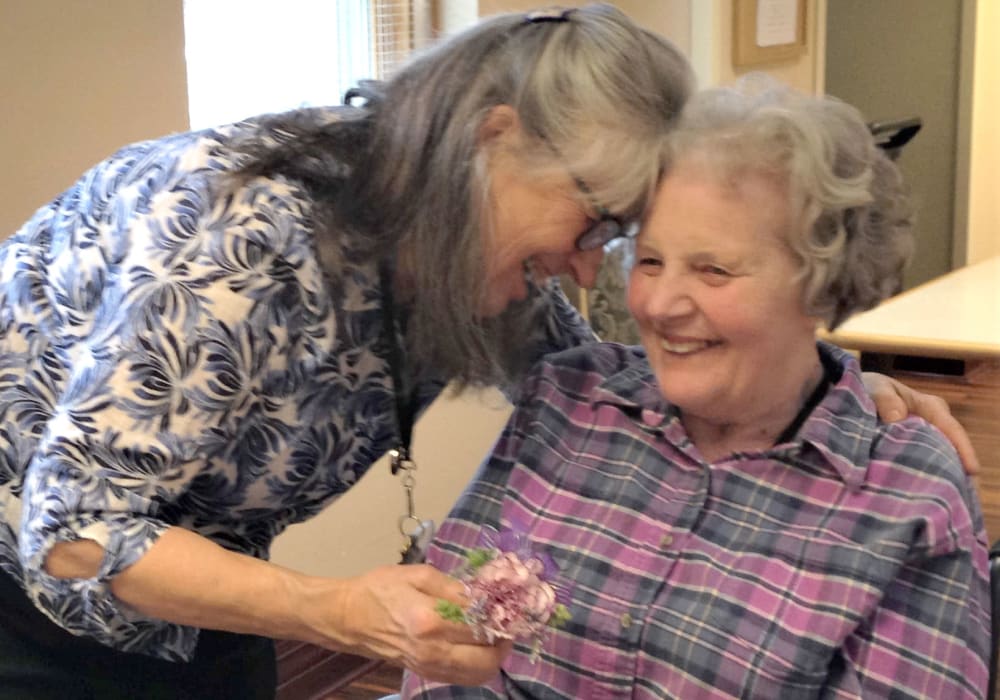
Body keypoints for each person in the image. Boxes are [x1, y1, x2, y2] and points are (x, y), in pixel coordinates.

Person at [0, 4, 977, 698]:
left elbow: (631, 373)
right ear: (490, 139)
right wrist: (333, 608)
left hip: (194, 591)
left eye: (620, 236)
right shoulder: (242, 226)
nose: (591, 265)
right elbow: (73, 528)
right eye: (598, 222)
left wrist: (840, 382)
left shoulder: (482, 257)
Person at [403, 77, 990, 699]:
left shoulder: (906, 497)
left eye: (713, 270)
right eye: (650, 261)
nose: (657, 303)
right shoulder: (565, 399)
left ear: (821, 287)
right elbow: (447, 643)